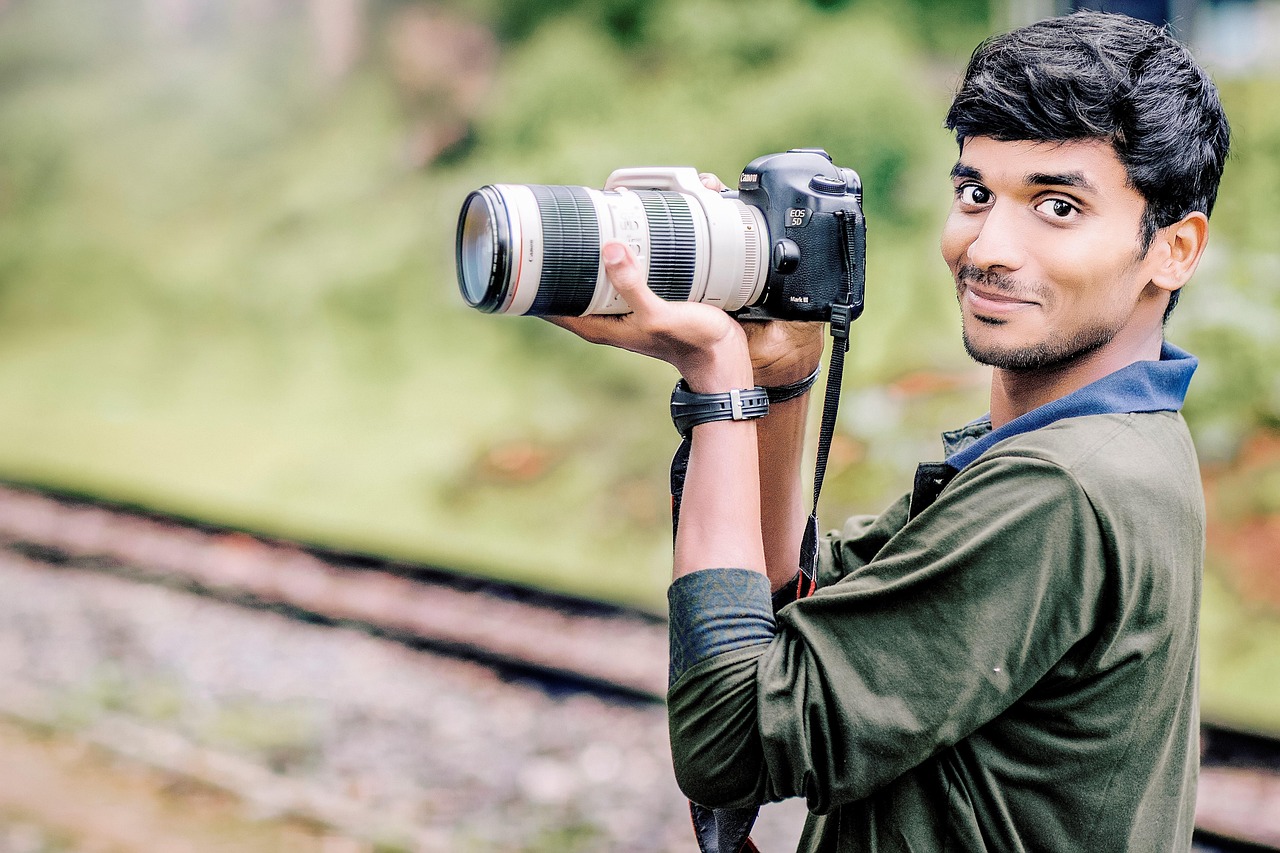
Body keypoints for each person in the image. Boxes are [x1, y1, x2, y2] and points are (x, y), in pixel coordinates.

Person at [552, 10, 1230, 852]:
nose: (988, 247)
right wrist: (780, 376)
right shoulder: (1116, 442)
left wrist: (719, 384)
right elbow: (797, 608)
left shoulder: (1057, 489)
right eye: (975, 194)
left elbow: (729, 743)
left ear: (1174, 249)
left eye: (1057, 206)